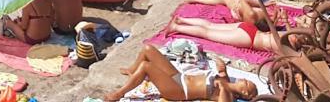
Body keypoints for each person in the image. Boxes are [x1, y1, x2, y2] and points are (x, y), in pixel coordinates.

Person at [103, 49, 258, 102]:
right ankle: (132, 71)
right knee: (148, 49)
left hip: (178, 91)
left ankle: (119, 93)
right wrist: (222, 70)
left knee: (146, 66)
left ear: (244, 93)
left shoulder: (228, 95)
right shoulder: (226, 79)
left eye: (246, 83)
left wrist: (223, 83)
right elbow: (222, 75)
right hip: (180, 77)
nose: (244, 79)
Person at [166, 14, 292, 54]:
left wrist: (285, 20)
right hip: (249, 38)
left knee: (210, 25)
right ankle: (176, 26)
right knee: (208, 33)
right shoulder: (290, 48)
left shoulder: (290, 34)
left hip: (251, 29)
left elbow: (287, 31)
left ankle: (181, 19)